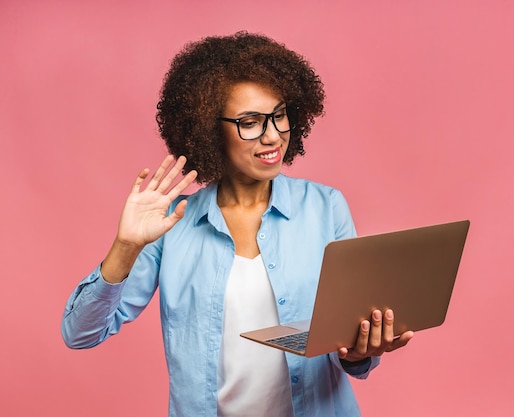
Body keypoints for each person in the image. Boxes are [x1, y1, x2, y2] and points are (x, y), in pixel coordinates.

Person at [62, 31, 413, 417]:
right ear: (210, 130)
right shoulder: (173, 224)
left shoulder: (326, 207)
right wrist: (125, 246)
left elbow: (350, 347)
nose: (273, 135)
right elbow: (80, 333)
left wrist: (363, 349)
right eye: (250, 121)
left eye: (280, 115)